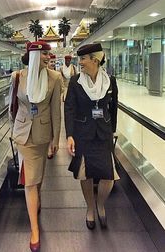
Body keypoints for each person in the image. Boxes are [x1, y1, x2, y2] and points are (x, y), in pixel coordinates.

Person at [9, 41, 62, 252]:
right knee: (30, 181)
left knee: (37, 177)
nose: (48, 56)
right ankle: (34, 230)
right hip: (23, 134)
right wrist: (12, 130)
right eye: (44, 54)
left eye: (49, 53)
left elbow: (56, 111)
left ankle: (37, 199)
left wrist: (55, 139)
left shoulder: (54, 78)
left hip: (43, 133)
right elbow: (12, 105)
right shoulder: (17, 76)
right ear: (33, 55)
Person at [64, 43, 118, 230]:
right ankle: (89, 208)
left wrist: (112, 130)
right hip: (83, 134)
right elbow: (69, 109)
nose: (80, 63)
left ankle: (100, 203)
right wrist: (69, 135)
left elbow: (113, 108)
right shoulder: (75, 82)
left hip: (103, 134)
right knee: (85, 174)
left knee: (108, 177)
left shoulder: (110, 81)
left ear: (95, 60)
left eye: (83, 59)